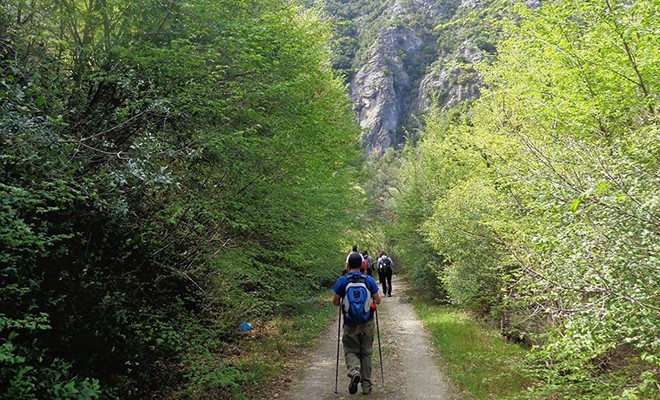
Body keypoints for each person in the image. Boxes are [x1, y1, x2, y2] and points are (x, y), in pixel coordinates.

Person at [333, 252, 382, 395]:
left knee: (350, 350)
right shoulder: (369, 280)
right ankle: (366, 387)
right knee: (366, 353)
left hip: (350, 324)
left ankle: (354, 371)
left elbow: (335, 302)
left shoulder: (342, 281)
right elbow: (378, 300)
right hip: (367, 322)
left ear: (347, 265)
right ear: (362, 265)